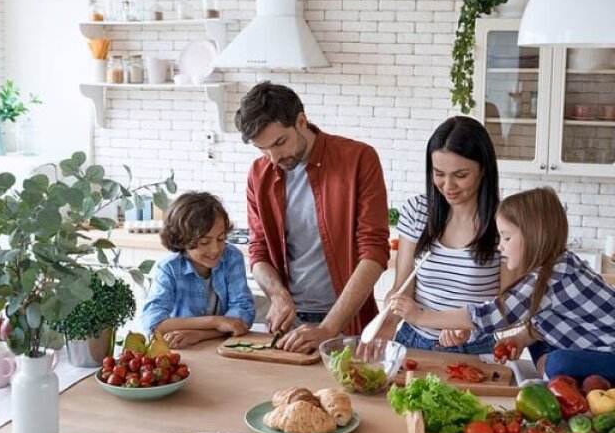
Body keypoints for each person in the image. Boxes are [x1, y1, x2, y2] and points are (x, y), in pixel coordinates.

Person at [392, 187, 615, 381]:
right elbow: (551, 319)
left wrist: (420, 316)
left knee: (558, 363)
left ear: (533, 237)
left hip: (609, 351)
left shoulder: (548, 278)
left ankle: (553, 373)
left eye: (506, 238)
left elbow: (493, 314)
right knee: (536, 338)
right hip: (594, 343)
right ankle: (555, 373)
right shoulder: (559, 263)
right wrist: (520, 338)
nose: (500, 247)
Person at [235, 81, 390, 353]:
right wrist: (277, 294)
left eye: (280, 142)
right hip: (288, 327)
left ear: (301, 121)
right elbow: (258, 251)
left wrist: (328, 329)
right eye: (263, 149)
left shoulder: (359, 159)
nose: (274, 158)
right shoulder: (259, 174)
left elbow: (374, 253)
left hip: (346, 323)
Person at [381, 116, 507, 354]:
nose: (448, 185)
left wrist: (469, 328)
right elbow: (402, 288)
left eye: (460, 175)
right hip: (412, 342)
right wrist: (387, 320)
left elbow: (506, 306)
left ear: (483, 170)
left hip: (474, 350)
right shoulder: (418, 212)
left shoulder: (504, 223)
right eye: (439, 173)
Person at [141, 191, 255, 348]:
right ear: (182, 240)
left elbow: (243, 316)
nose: (215, 249)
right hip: (182, 351)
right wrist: (216, 321)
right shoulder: (169, 269)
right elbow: (153, 324)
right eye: (204, 242)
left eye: (221, 238)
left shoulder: (232, 257)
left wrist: (200, 335)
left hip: (223, 348)